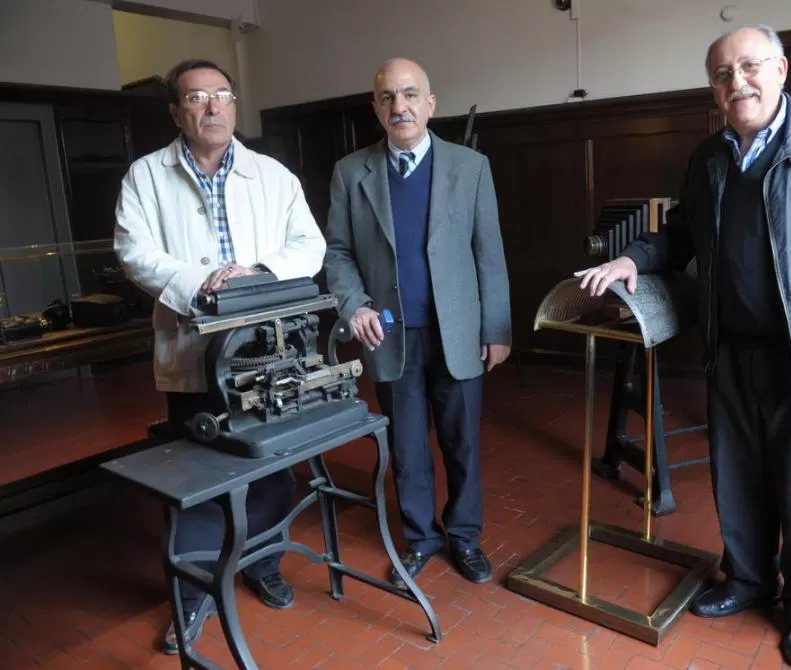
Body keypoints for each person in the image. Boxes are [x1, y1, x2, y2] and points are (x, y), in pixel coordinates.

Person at [575, 25, 791, 670]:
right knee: (736, 478)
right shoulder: (710, 158)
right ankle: (748, 580)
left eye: (750, 67)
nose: (738, 82)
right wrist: (631, 259)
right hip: (731, 353)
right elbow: (678, 237)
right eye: (722, 74)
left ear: (781, 69)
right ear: (713, 88)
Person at [113, 59, 327, 654]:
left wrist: (257, 274)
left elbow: (309, 244)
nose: (212, 107)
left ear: (235, 105)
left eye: (223, 95)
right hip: (191, 351)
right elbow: (135, 252)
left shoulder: (272, 175)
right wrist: (204, 282)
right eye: (198, 97)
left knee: (271, 473)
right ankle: (193, 597)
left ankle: (262, 565)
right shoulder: (146, 177)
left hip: (265, 355)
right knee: (197, 478)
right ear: (178, 112)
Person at [324, 58, 512, 587]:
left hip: (458, 333)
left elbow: (489, 253)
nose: (399, 106)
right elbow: (337, 253)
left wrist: (496, 328)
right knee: (406, 445)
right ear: (376, 108)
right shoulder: (350, 172)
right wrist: (353, 304)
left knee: (463, 442)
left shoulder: (470, 166)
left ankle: (465, 536)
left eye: (410, 95)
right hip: (388, 334)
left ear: (431, 104)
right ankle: (421, 537)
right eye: (387, 97)